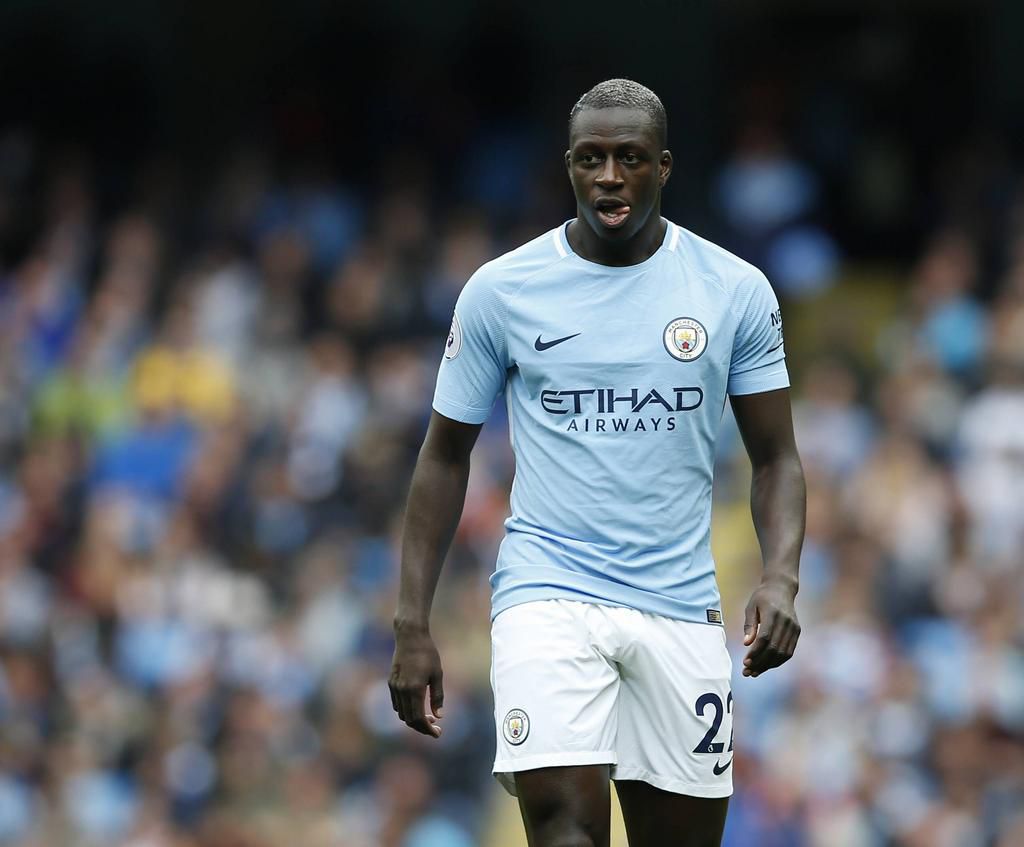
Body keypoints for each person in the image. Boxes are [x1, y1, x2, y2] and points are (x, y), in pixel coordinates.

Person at [389, 78, 805, 847]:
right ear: (569, 167)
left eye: (629, 158)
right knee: (566, 831)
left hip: (679, 605)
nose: (609, 176)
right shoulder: (502, 291)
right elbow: (444, 456)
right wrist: (412, 620)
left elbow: (776, 457)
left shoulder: (734, 291)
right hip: (547, 595)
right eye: (591, 158)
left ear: (665, 167)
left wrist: (779, 575)